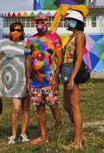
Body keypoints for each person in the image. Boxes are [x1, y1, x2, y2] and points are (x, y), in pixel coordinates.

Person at [24, 12, 62, 145]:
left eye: (43, 21)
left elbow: (59, 58)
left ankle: (59, 129)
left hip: (49, 79)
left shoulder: (54, 38)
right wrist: (28, 79)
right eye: (37, 22)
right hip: (35, 82)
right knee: (39, 107)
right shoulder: (30, 40)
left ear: (47, 22)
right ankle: (43, 135)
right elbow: (28, 60)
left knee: (53, 105)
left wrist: (56, 77)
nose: (40, 24)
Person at [0, 22, 30, 144]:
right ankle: (13, 135)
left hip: (26, 79)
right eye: (13, 30)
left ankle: (23, 134)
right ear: (10, 31)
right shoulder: (1, 43)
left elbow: (31, 60)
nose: (16, 32)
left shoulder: (27, 44)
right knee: (16, 109)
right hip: (12, 82)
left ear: (22, 32)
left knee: (26, 108)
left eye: (18, 30)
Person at [61, 9, 87, 150]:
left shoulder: (79, 36)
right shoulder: (73, 35)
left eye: (70, 20)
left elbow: (78, 59)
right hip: (66, 72)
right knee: (66, 105)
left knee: (75, 107)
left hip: (72, 73)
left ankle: (77, 141)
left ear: (77, 22)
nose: (68, 22)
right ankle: (79, 135)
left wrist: (72, 78)